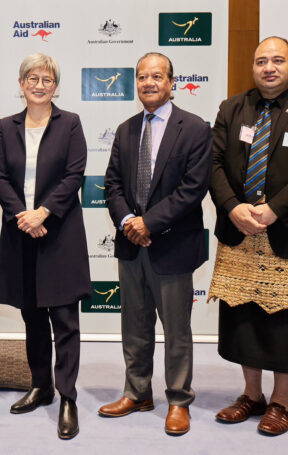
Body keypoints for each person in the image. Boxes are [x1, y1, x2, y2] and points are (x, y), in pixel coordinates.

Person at [209, 36, 288, 435]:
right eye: (261, 60)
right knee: (243, 317)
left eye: (277, 60)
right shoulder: (232, 108)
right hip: (240, 230)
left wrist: (273, 209)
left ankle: (280, 401)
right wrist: (233, 206)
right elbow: (212, 164)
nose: (269, 67)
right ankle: (251, 395)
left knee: (286, 321)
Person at [100, 52, 212, 435]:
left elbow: (192, 190)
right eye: (142, 77)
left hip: (173, 246)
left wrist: (150, 222)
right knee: (134, 324)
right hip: (132, 244)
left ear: (171, 82)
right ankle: (138, 392)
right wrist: (130, 222)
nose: (149, 83)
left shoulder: (195, 128)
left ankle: (179, 399)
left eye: (157, 76)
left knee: (176, 329)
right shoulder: (126, 129)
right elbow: (112, 184)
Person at [0, 53, 91, 440]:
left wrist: (43, 213)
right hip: (21, 233)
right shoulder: (5, 126)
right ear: (21, 84)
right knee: (32, 316)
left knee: (65, 320)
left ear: (56, 86)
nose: (39, 84)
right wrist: (23, 216)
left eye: (47, 79)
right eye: (32, 78)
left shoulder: (71, 124)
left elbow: (74, 174)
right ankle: (40, 385)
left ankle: (67, 396)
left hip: (59, 233)